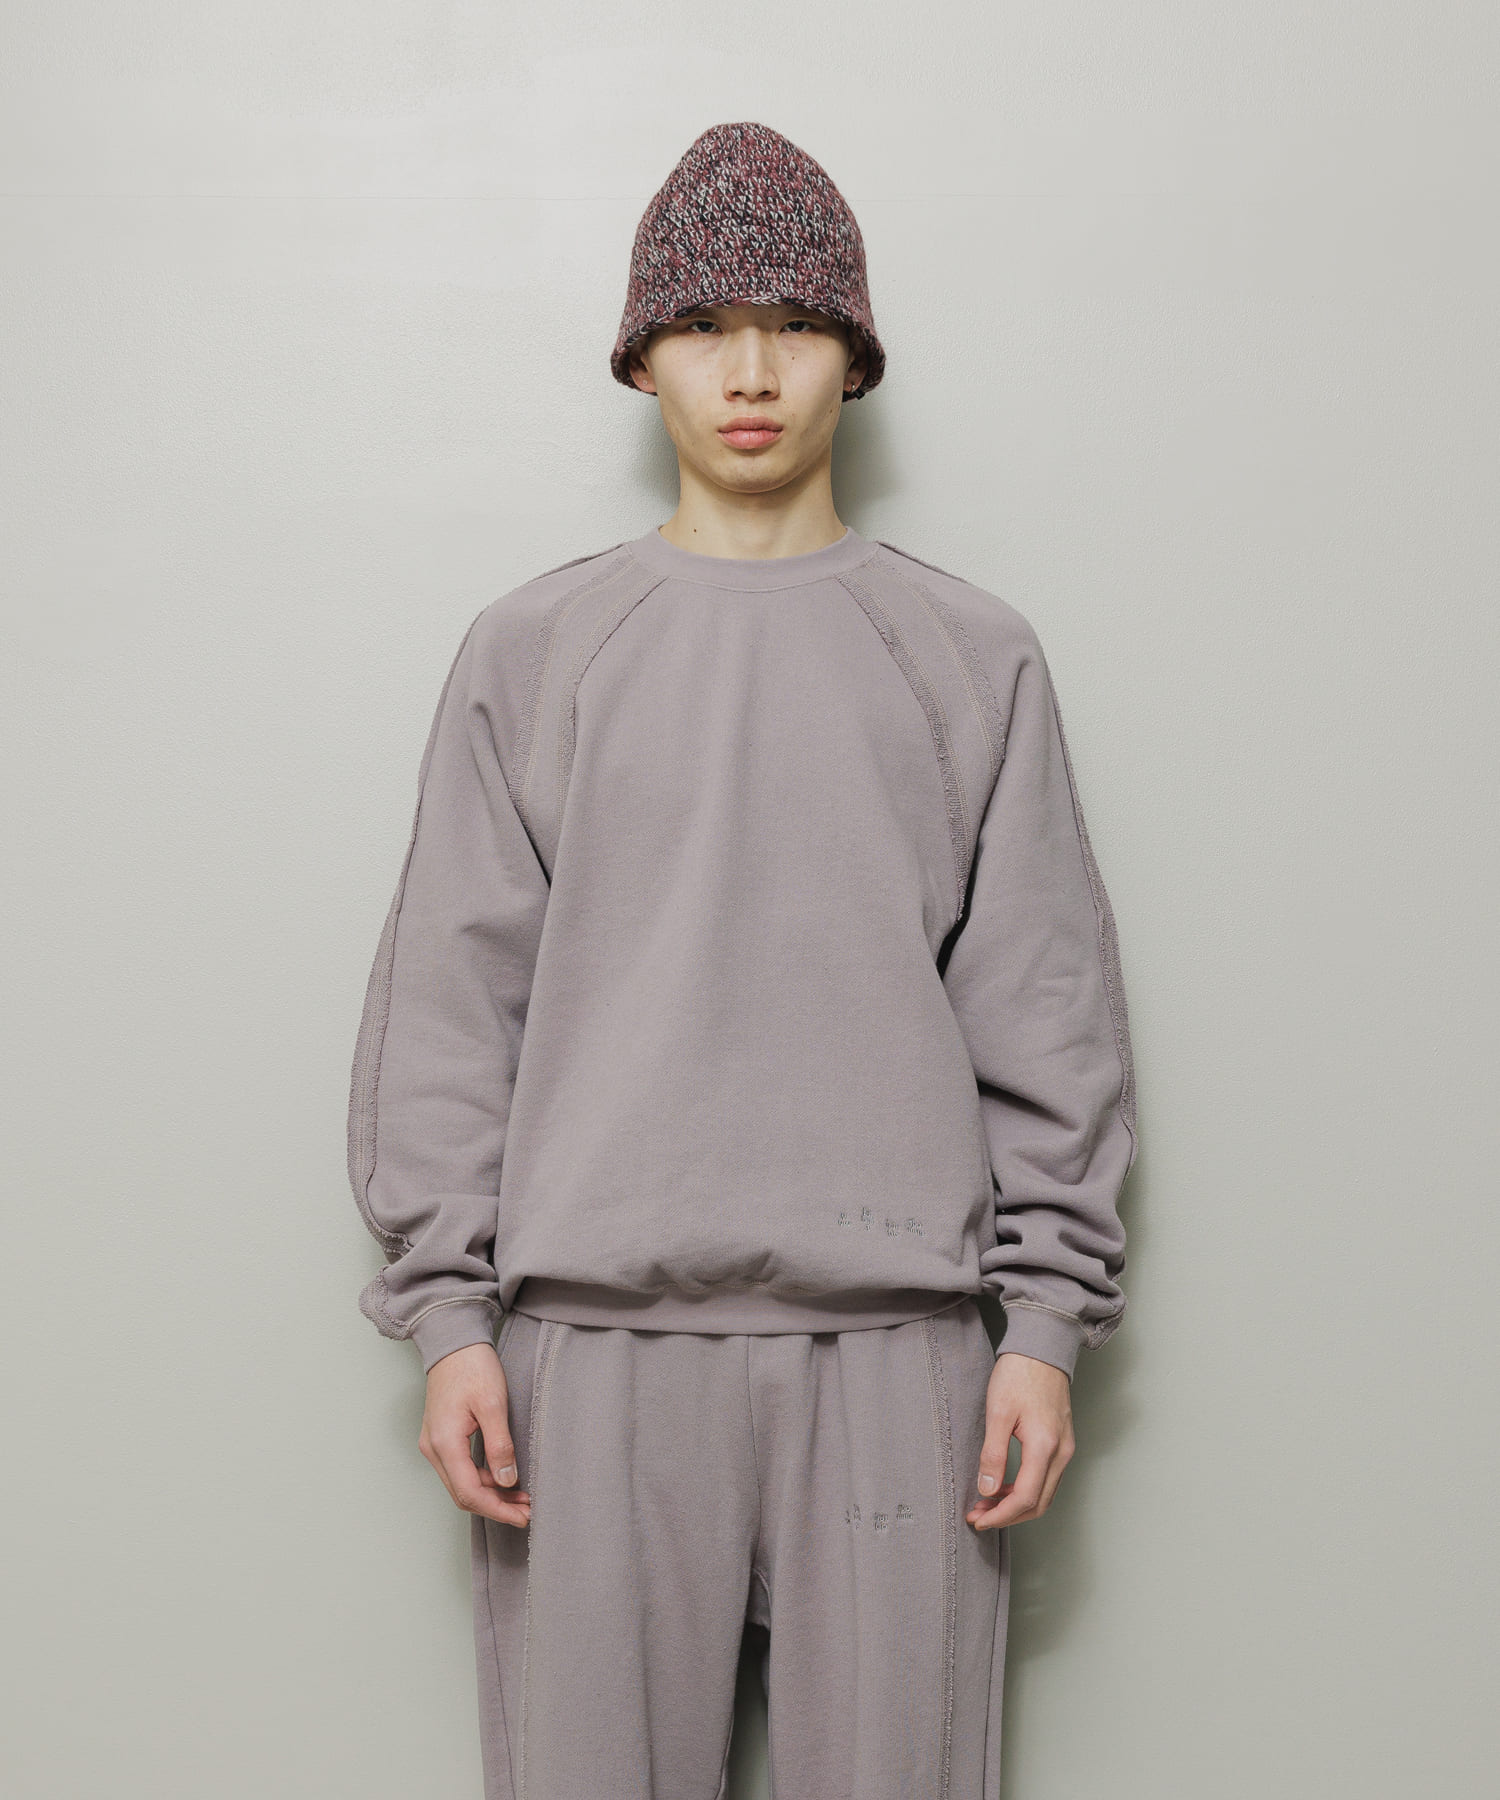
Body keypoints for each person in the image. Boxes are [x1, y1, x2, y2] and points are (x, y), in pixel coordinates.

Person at [346, 119, 1138, 1800]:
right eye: (705, 326)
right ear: (643, 360)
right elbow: (450, 1009)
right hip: (590, 1357)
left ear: (858, 353)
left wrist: (1044, 1328)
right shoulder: (534, 653)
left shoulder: (970, 655)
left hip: (906, 1355)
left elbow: (1047, 1010)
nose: (754, 370)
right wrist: (451, 1321)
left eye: (796, 323)